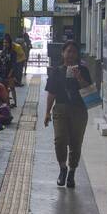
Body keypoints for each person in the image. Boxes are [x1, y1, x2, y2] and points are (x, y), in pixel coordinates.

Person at [42, 40, 92, 188]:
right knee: (60, 140)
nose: (70, 54)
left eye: (74, 52)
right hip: (60, 109)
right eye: (68, 51)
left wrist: (79, 77)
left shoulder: (83, 70)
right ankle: (63, 168)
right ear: (63, 53)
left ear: (77, 55)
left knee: (76, 143)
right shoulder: (56, 71)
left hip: (79, 110)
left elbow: (88, 90)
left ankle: (72, 172)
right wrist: (47, 113)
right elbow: (51, 93)